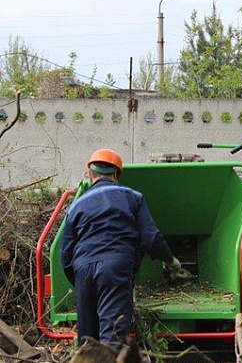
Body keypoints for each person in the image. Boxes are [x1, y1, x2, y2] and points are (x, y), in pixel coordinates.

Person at [60, 149, 189, 349]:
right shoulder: (132, 197)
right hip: (115, 266)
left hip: (82, 269)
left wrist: (79, 280)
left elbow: (66, 253)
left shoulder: (76, 206)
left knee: (88, 342)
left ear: (90, 174)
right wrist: (171, 261)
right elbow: (150, 238)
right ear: (117, 174)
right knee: (112, 337)